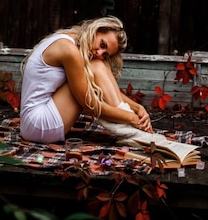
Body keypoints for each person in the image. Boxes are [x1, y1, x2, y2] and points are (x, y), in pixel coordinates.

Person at [19, 15, 153, 143]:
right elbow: (90, 105)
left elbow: (99, 88)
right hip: (39, 125)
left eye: (105, 54)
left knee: (98, 64)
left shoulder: (71, 39)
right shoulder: (70, 50)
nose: (99, 53)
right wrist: (131, 118)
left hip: (31, 124)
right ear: (97, 30)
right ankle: (131, 132)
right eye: (102, 44)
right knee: (96, 65)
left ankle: (131, 131)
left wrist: (137, 108)